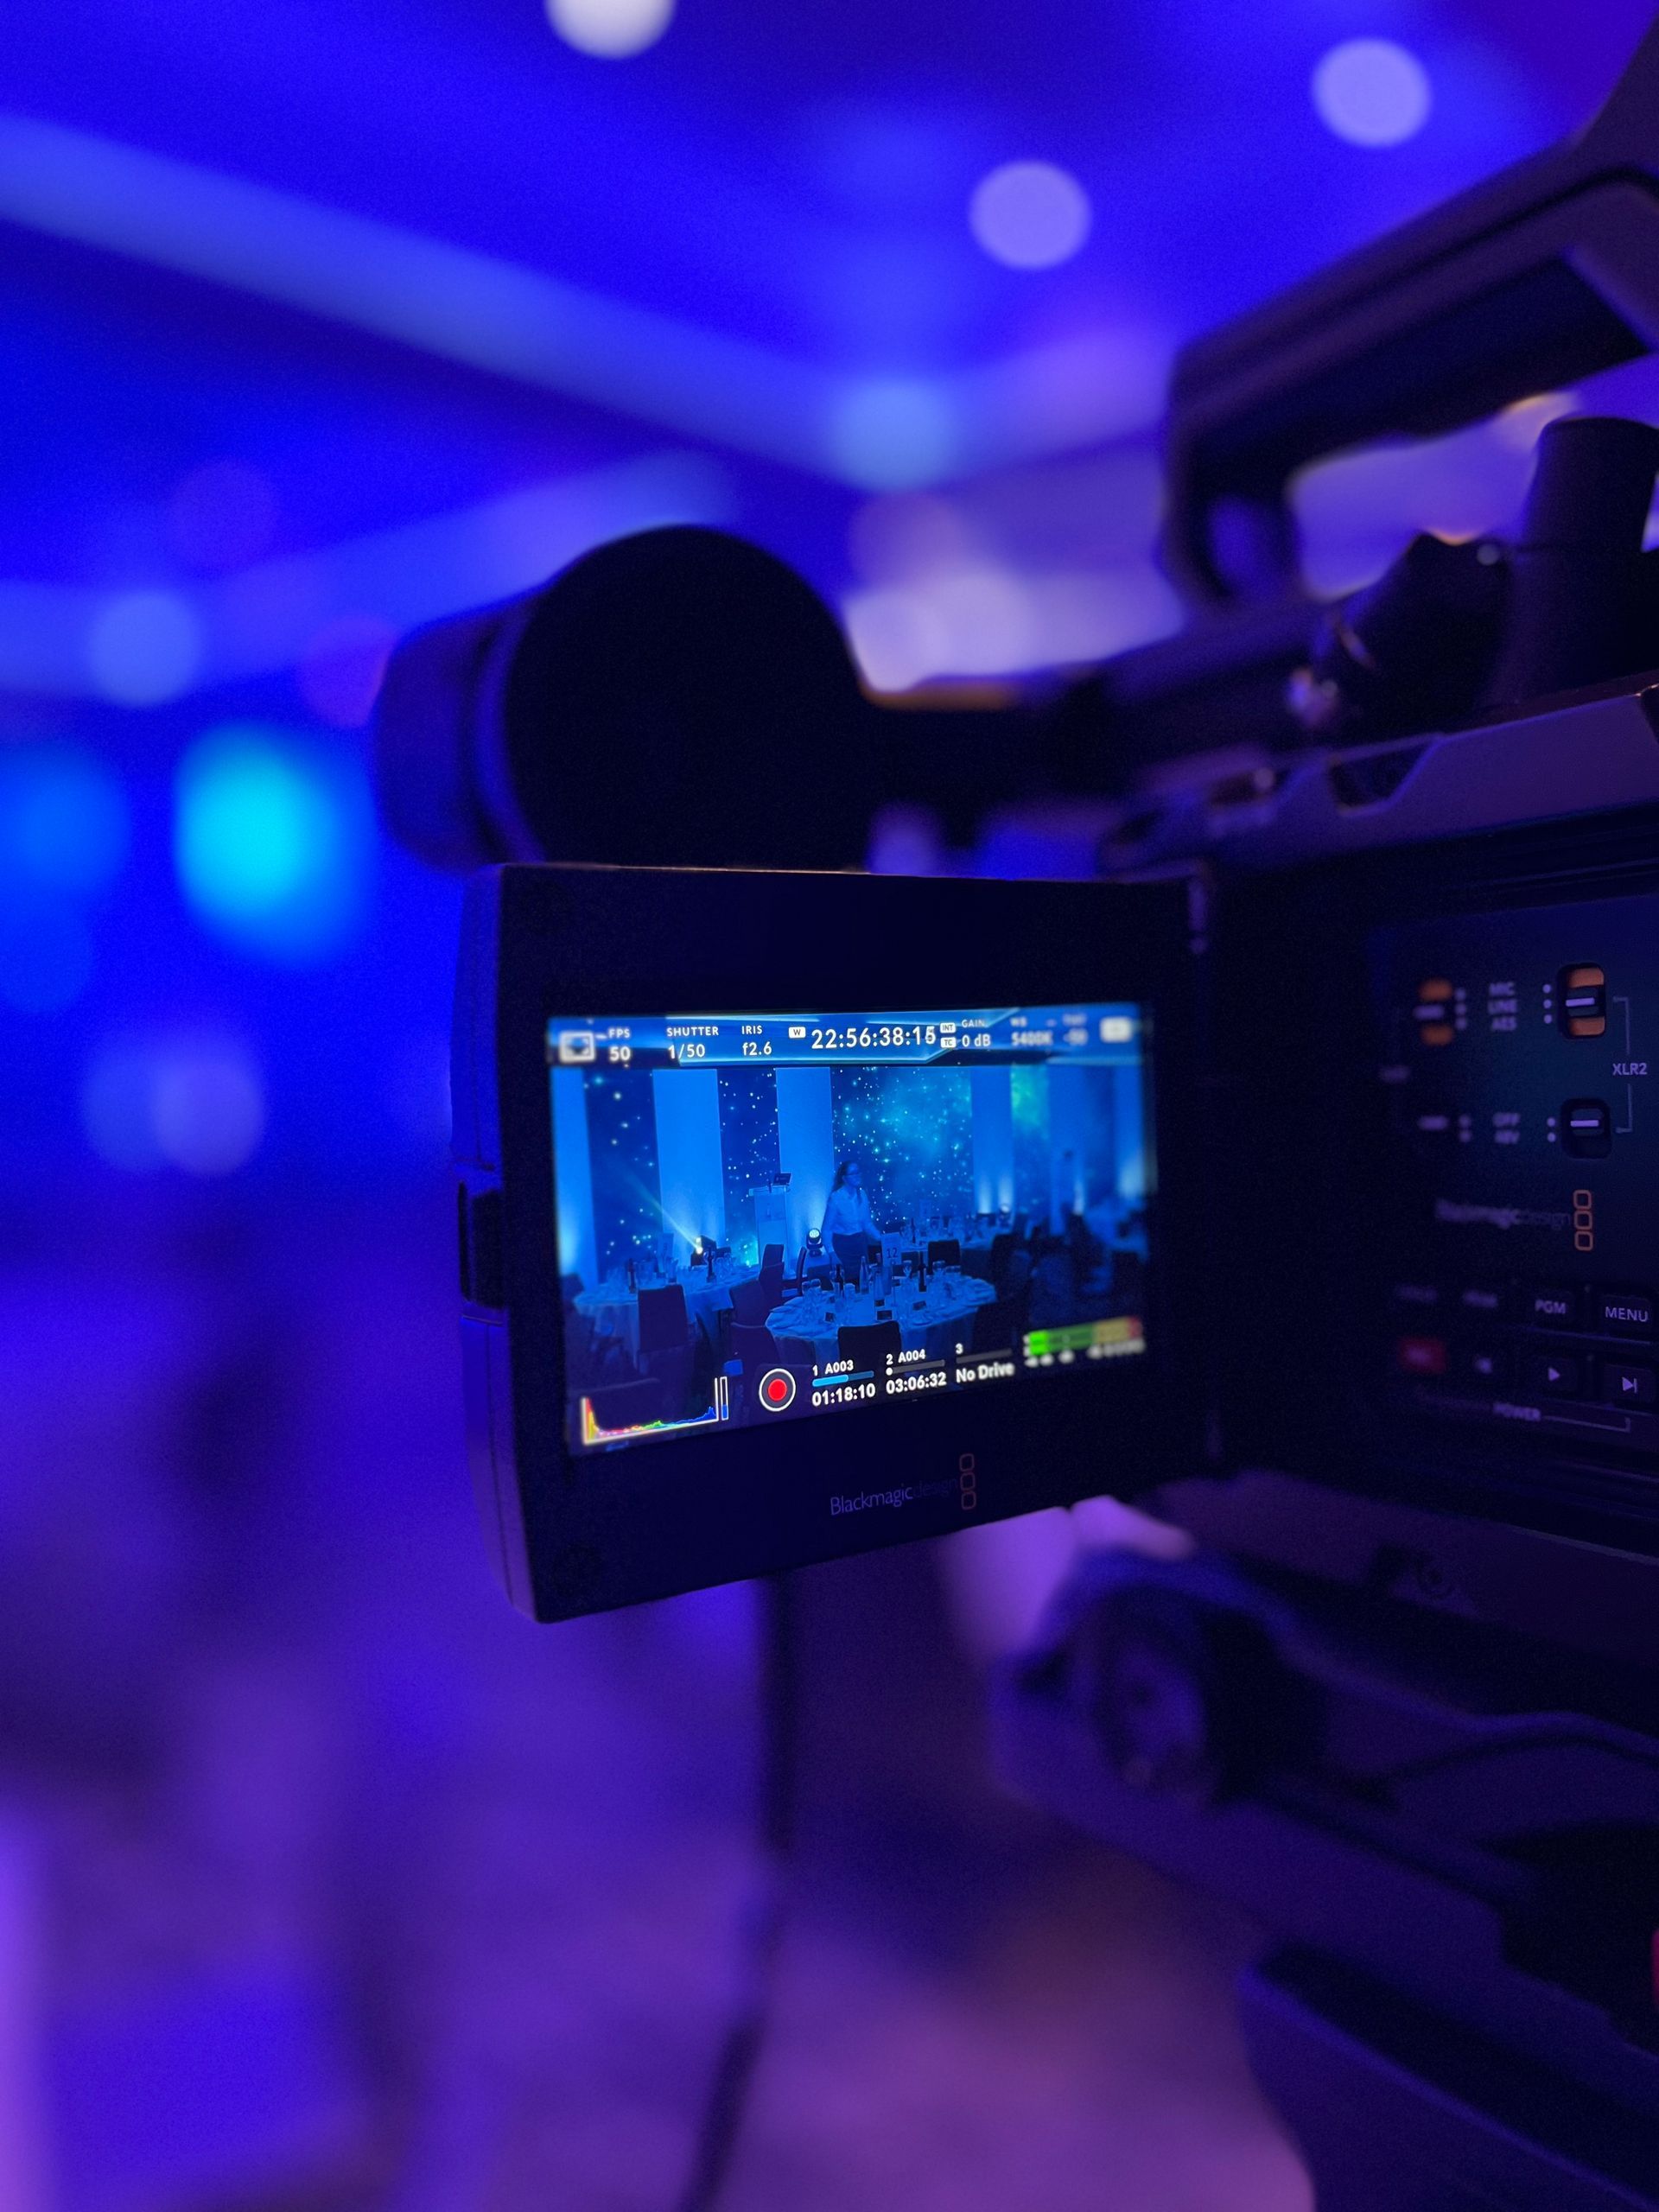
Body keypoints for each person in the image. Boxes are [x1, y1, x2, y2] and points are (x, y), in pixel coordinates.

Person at [821, 1156, 876, 1282]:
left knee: (864, 1281)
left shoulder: (862, 1194)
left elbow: (867, 1224)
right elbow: (826, 1230)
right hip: (843, 1246)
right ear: (844, 1178)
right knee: (847, 1284)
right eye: (853, 1173)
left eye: (858, 1172)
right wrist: (832, 1253)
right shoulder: (836, 1198)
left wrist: (882, 1239)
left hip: (860, 1244)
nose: (857, 1175)